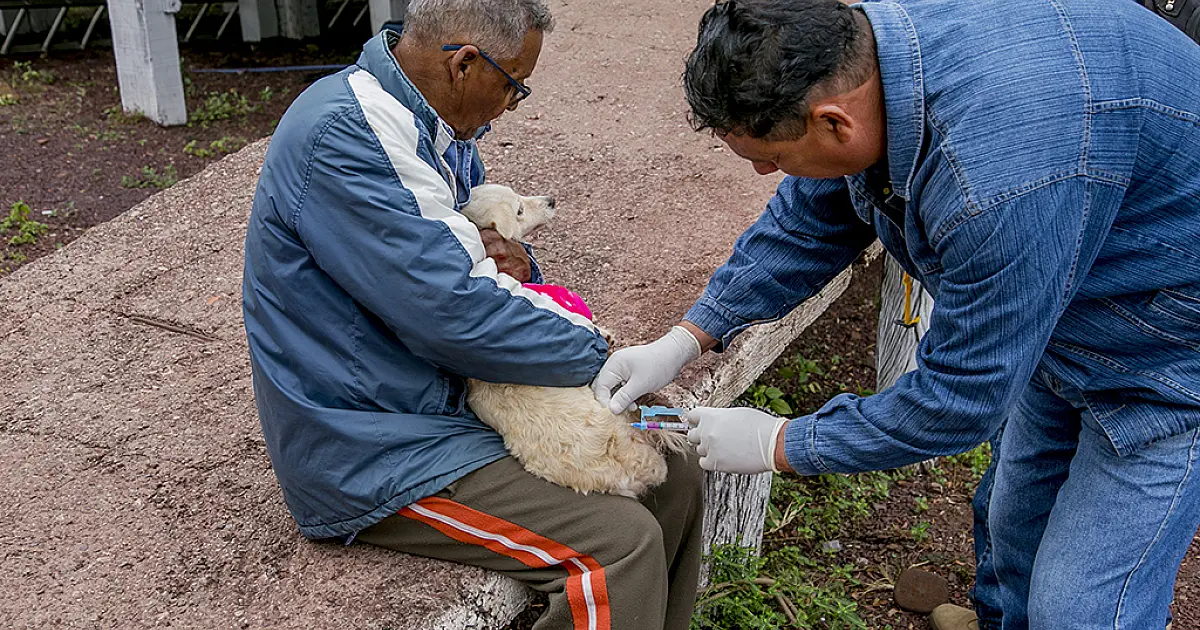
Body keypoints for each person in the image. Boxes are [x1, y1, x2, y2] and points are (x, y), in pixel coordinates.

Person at [592, 0, 1200, 628]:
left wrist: (782, 442)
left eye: (769, 158)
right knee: (1015, 525)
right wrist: (689, 336)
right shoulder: (866, 62)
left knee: (1080, 609)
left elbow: (961, 398)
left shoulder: (992, 182)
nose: (763, 172)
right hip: (1065, 318)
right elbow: (810, 218)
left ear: (833, 124)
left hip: (1166, 361)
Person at [242, 1, 704, 628]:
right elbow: (455, 315)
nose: (513, 105)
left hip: (447, 400)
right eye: (515, 85)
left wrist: (520, 263)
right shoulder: (347, 135)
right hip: (375, 446)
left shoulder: (431, 124)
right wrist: (604, 357)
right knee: (617, 548)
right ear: (464, 64)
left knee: (676, 469)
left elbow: (475, 268)